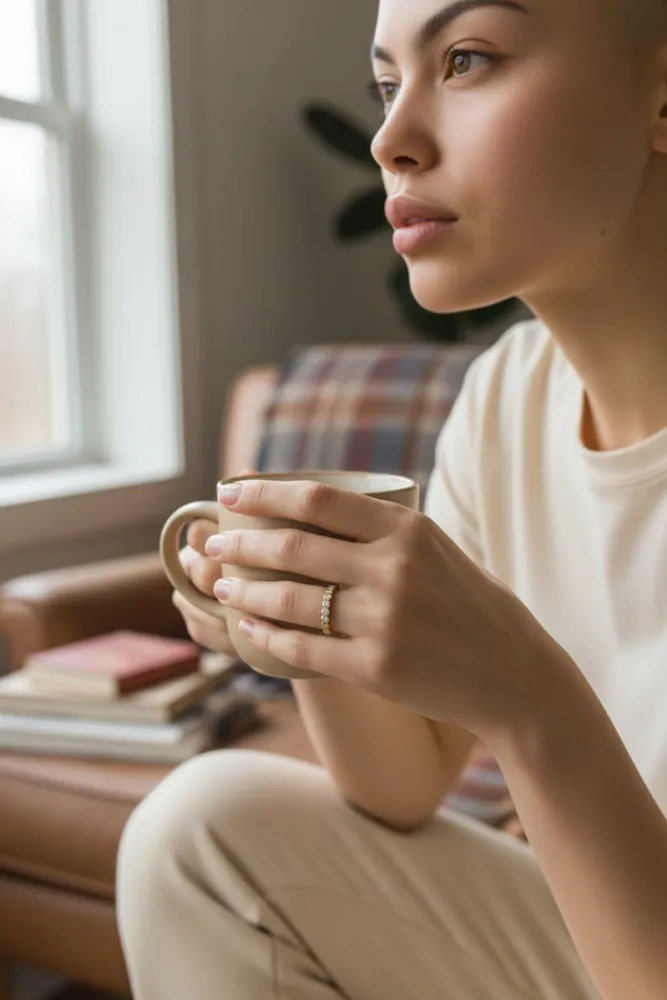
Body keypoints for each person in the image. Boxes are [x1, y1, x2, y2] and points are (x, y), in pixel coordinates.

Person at [116, 0, 667, 996]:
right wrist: (299, 625)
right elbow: (402, 783)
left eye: (464, 59)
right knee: (203, 832)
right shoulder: (507, 396)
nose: (389, 138)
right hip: (591, 935)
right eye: (385, 84)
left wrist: (532, 706)